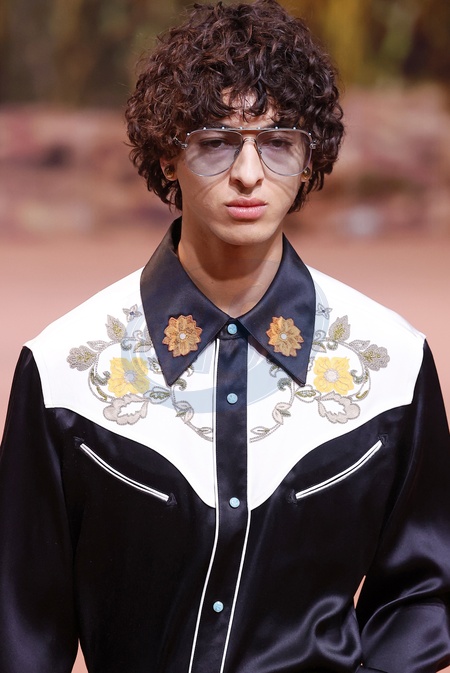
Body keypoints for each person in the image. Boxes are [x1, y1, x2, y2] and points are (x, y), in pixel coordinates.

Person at [1, 1, 449, 671]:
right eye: (215, 142)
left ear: (310, 158)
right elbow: (22, 625)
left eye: (278, 142)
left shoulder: (391, 365)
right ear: (167, 154)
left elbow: (423, 591)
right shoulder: (65, 370)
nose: (248, 174)